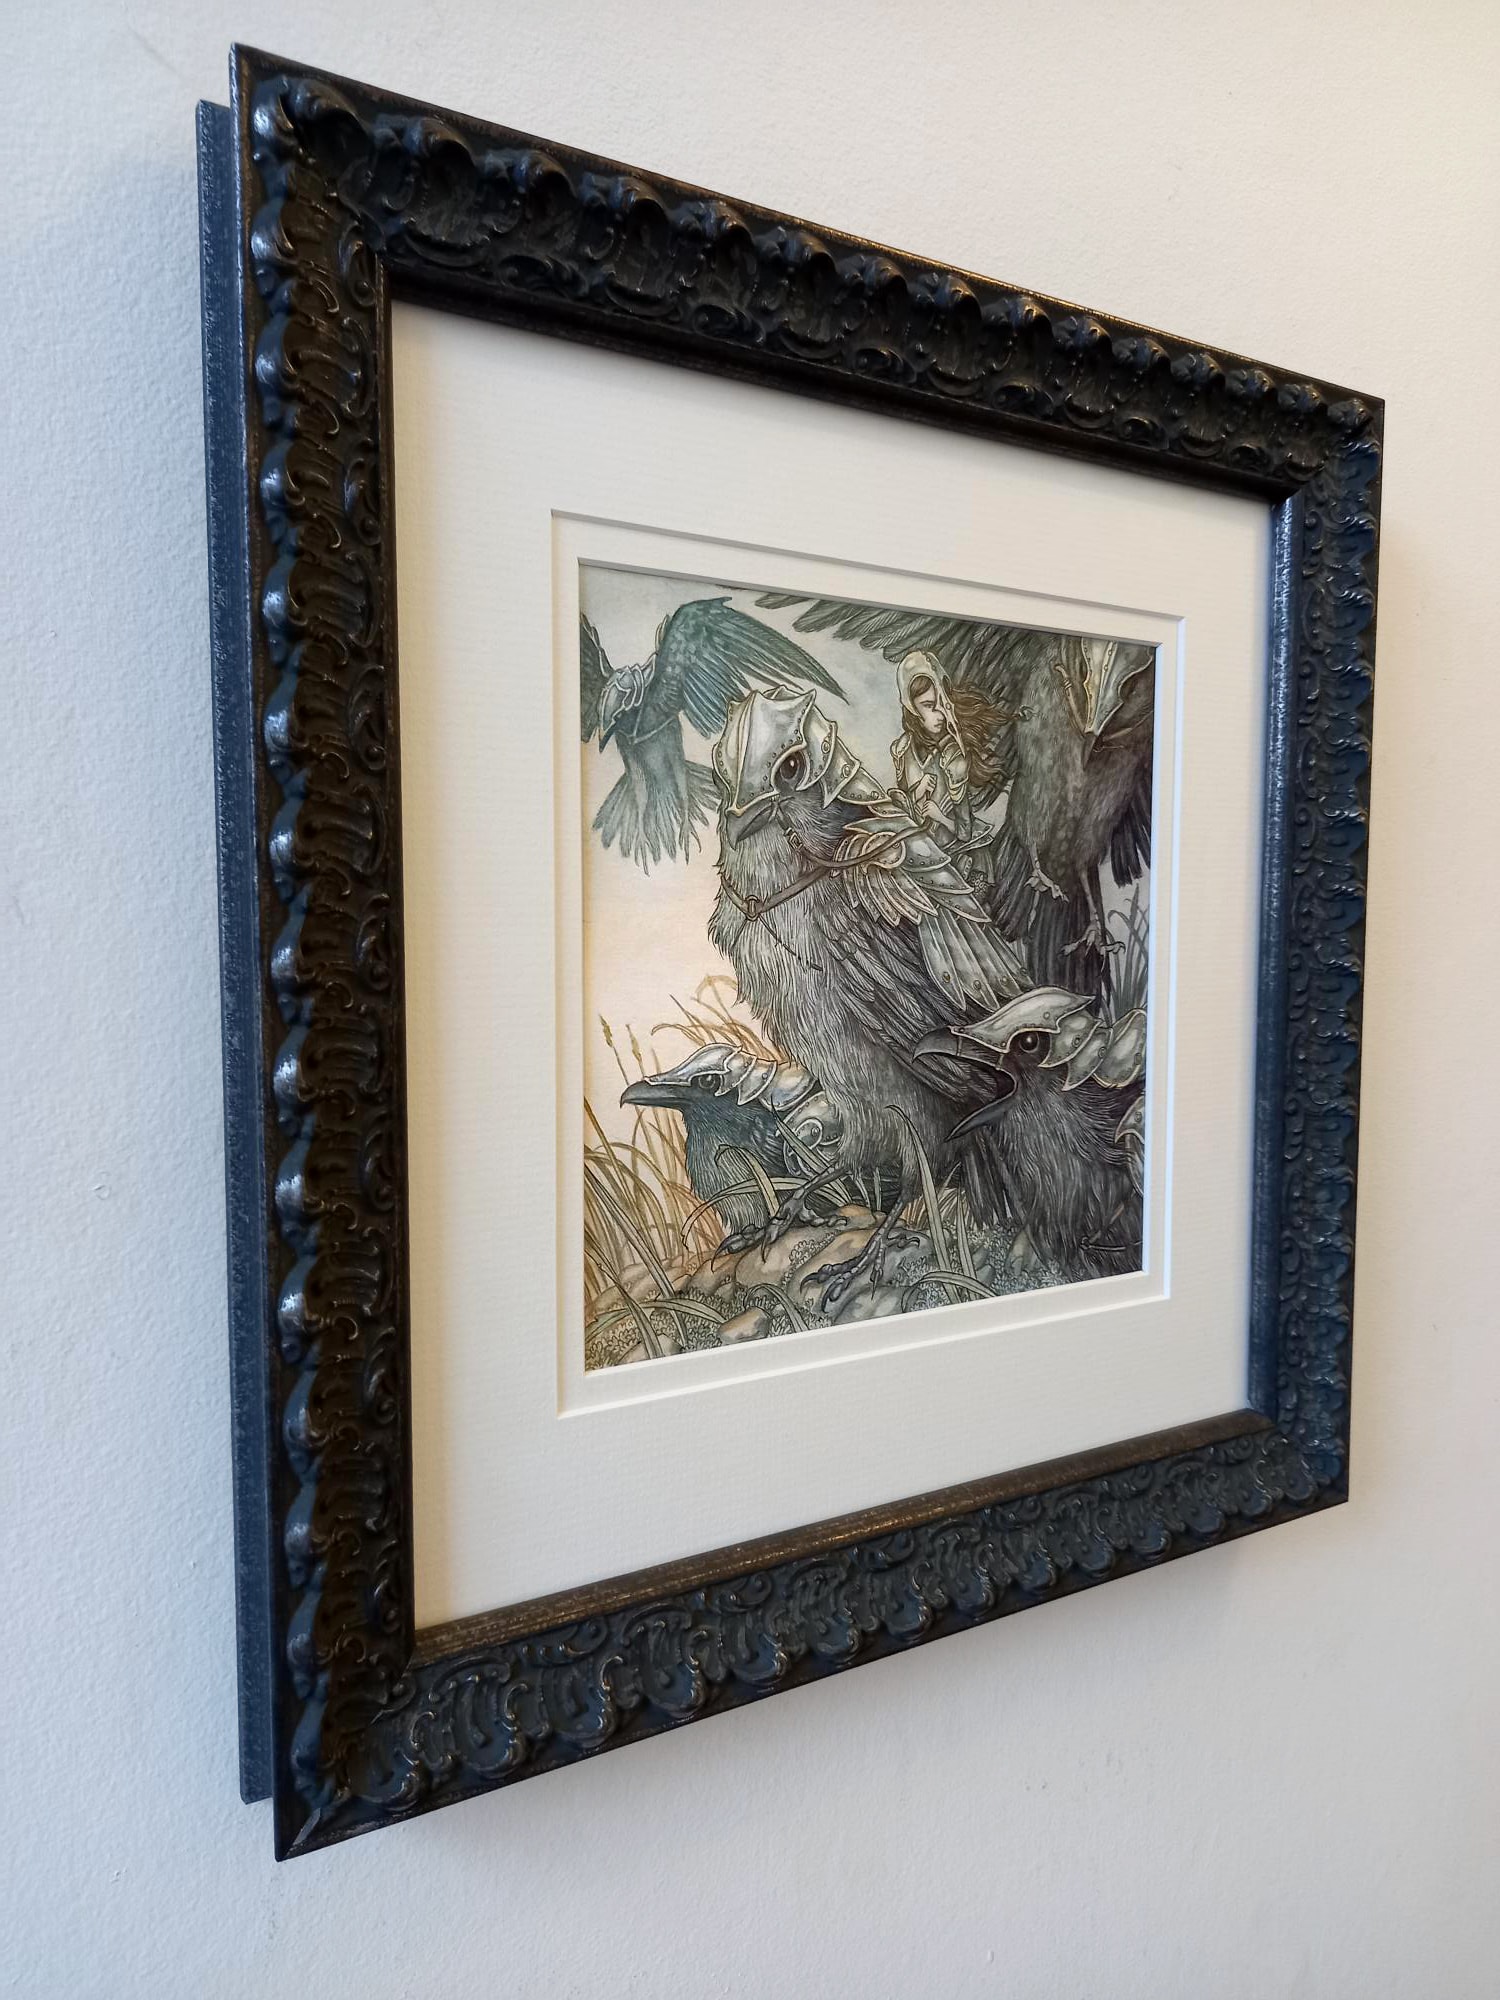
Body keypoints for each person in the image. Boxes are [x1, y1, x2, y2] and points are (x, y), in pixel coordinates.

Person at [889, 651, 1012, 882]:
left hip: (963, 861)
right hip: (921, 856)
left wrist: (940, 816)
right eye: (928, 705)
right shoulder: (902, 749)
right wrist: (916, 792)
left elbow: (965, 832)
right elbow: (900, 813)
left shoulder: (953, 757)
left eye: (941, 704)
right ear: (912, 707)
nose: (940, 715)